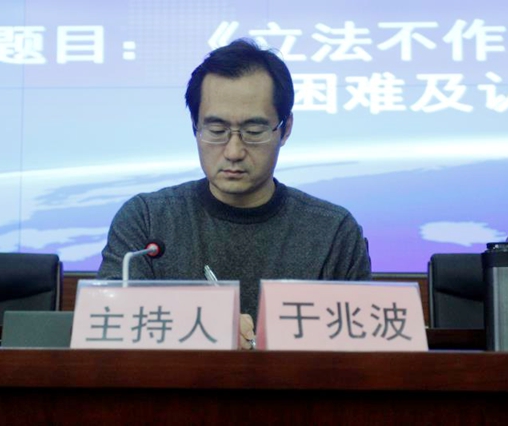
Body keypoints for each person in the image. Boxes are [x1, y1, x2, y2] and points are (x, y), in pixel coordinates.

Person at [97, 38, 372, 349]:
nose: (234, 151)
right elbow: (109, 325)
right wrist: (203, 325)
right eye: (216, 131)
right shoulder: (147, 219)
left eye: (253, 132)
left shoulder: (332, 232)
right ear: (195, 126)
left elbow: (361, 351)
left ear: (285, 129)